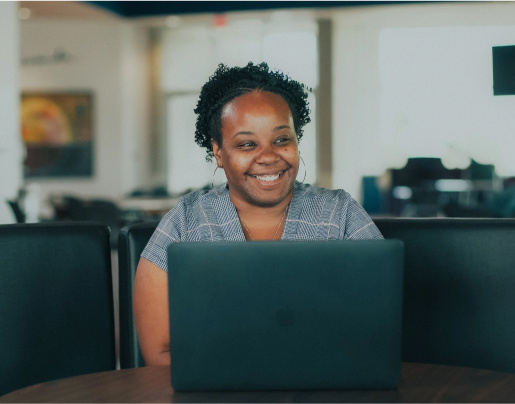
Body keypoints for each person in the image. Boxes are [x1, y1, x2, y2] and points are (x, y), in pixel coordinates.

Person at [133, 62, 383, 366]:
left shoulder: (340, 213)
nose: (268, 156)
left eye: (281, 140)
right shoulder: (185, 222)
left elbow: (378, 332)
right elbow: (159, 354)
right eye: (247, 144)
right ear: (219, 152)